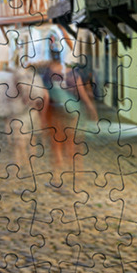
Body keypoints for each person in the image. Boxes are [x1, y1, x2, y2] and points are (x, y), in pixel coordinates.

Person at [35, 48, 99, 189]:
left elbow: (45, 97)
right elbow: (83, 95)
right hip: (73, 114)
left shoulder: (47, 74)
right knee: (73, 146)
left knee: (56, 146)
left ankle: (57, 178)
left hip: (56, 114)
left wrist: (42, 118)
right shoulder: (73, 73)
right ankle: (77, 175)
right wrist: (92, 110)